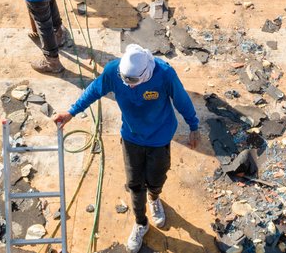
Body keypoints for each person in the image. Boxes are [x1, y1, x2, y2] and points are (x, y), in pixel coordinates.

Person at [53, 45, 200, 253]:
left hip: (159, 138)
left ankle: (154, 197)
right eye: (125, 81)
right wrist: (71, 112)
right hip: (132, 138)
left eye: (133, 82)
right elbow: (94, 90)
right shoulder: (113, 71)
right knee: (134, 183)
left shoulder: (164, 73)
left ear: (145, 73)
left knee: (157, 178)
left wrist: (194, 126)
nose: (129, 86)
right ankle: (141, 222)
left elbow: (182, 99)